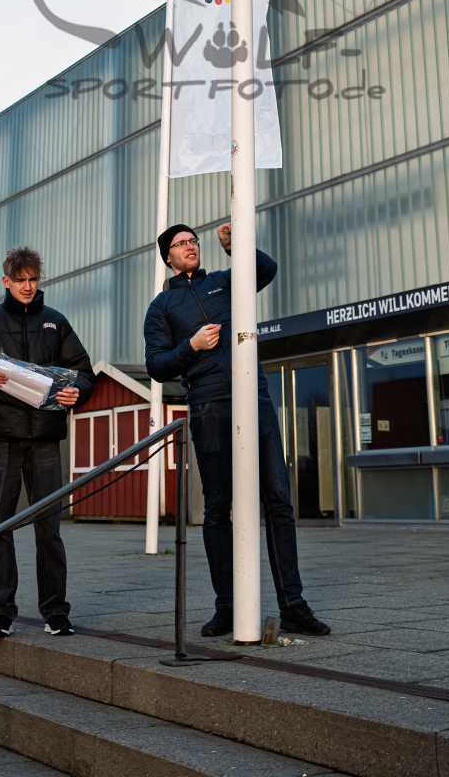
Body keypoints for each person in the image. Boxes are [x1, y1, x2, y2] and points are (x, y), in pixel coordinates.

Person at [144, 221, 330, 639]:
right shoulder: (161, 307)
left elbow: (266, 270)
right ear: (168, 257)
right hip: (209, 405)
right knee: (217, 507)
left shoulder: (225, 283)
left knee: (278, 498)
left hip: (253, 397)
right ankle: (227, 606)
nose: (190, 246)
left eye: (193, 241)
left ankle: (293, 605)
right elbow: (156, 364)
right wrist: (191, 346)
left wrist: (236, 245)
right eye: (181, 243)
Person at [0, 246, 93, 639]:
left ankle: (55, 612)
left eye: (33, 280)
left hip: (45, 440)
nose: (27, 287)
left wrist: (77, 391)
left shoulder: (55, 322)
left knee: (49, 529)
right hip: (1, 439)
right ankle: (1, 613)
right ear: (5, 281)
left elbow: (84, 372)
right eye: (20, 280)